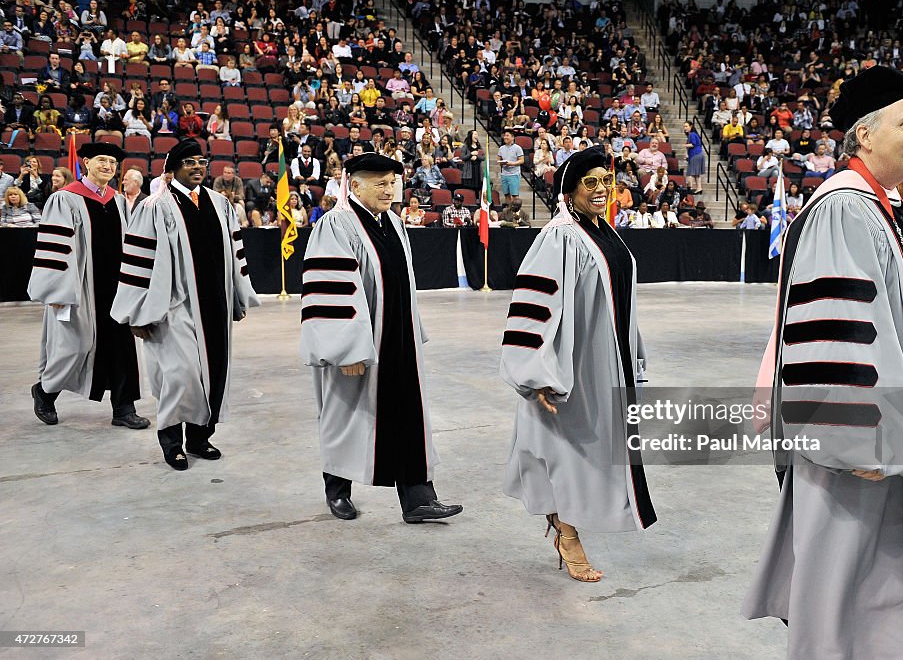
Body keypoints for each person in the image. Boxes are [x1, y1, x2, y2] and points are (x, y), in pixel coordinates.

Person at [743, 66, 903, 660]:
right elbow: (839, 337)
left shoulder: (885, 209)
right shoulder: (845, 208)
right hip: (858, 447)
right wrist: (854, 439)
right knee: (840, 584)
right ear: (864, 135)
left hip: (888, 436)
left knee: (868, 585)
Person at [500, 146, 656, 583]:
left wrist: (634, 355)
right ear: (569, 191)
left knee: (591, 448)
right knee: (558, 448)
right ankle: (566, 534)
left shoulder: (603, 231)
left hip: (604, 360)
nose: (603, 189)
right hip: (570, 366)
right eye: (591, 182)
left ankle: (564, 524)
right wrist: (537, 375)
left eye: (607, 180)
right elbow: (533, 306)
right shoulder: (559, 236)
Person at [299, 153, 463, 523]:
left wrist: (412, 330)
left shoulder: (392, 222)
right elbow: (333, 292)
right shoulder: (336, 225)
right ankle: (337, 490)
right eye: (380, 183)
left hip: (397, 338)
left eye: (392, 182)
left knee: (407, 414)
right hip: (358, 346)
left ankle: (418, 498)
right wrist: (347, 349)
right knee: (346, 415)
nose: (389, 190)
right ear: (354, 185)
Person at [110, 139, 259, 470]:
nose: (196, 167)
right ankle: (171, 441)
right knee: (180, 376)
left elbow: (236, 256)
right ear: (173, 167)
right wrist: (136, 311)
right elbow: (139, 262)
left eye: (201, 162)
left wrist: (237, 295)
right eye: (189, 162)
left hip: (214, 306)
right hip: (171, 307)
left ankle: (200, 437)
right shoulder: (155, 207)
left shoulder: (220, 204)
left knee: (213, 374)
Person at [28, 142, 149, 430]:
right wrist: (57, 291)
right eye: (101, 160)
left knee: (122, 347)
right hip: (80, 287)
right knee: (75, 345)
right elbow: (55, 248)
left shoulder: (119, 200)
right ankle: (45, 392)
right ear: (86, 162)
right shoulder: (65, 199)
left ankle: (123, 408)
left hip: (117, 287)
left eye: (112, 162)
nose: (108, 166)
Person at [498, 130, 524, 206]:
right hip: (504, 174)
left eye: (507, 135)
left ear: (512, 137)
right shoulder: (501, 148)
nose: (505, 137)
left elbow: (522, 160)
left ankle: (516, 212)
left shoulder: (517, 148)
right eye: (504, 135)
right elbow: (499, 158)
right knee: (506, 194)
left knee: (515, 195)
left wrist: (512, 163)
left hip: (514, 174)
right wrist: (501, 163)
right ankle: (509, 211)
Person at [683, 121, 705, 193]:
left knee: (691, 173)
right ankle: (699, 188)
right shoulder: (693, 134)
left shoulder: (692, 134)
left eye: (686, 126)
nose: (685, 128)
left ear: (691, 126)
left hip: (695, 154)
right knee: (696, 173)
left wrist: (685, 145)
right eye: (684, 126)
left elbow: (693, 144)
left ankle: (690, 187)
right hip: (698, 154)